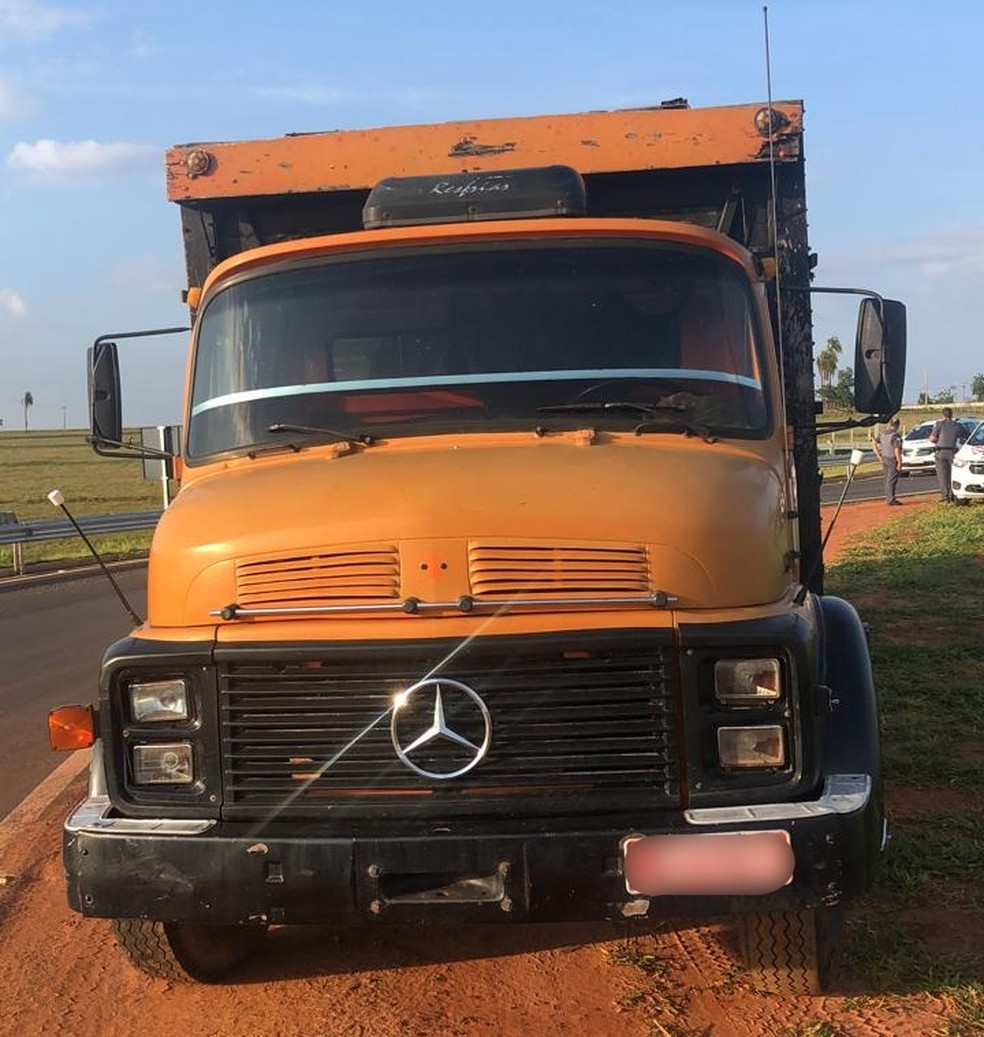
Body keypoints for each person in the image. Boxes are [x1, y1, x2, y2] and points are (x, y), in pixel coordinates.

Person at [930, 406, 962, 503]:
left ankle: (945, 497)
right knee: (954, 474)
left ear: (943, 415)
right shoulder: (957, 425)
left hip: (941, 452)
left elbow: (932, 438)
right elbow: (966, 436)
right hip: (952, 452)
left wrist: (938, 441)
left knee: (942, 475)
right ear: (951, 415)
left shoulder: (939, 424)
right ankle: (954, 494)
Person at [872, 417, 903, 505]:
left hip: (885, 457)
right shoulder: (895, 436)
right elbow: (897, 450)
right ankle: (891, 499)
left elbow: (874, 442)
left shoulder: (883, 434)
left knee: (887, 478)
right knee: (892, 479)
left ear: (889, 424)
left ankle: (888, 497)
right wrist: (900, 462)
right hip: (892, 458)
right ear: (897, 425)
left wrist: (878, 455)